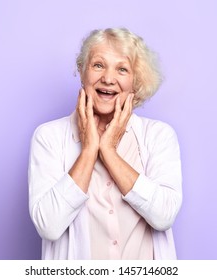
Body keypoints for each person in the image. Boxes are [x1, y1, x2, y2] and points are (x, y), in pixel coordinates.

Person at [28, 27, 182, 260]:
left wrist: (108, 151)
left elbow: (163, 216)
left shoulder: (159, 136)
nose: (108, 79)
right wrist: (90, 150)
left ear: (135, 81)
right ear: (82, 71)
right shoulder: (49, 136)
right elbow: (49, 225)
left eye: (122, 69)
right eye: (98, 65)